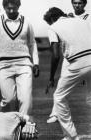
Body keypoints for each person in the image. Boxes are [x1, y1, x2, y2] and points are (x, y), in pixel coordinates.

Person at [44, 7, 91, 140]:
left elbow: (56, 55)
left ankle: (71, 136)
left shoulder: (53, 27)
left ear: (52, 19)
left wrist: (51, 78)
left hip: (78, 63)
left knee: (59, 97)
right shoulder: (81, 21)